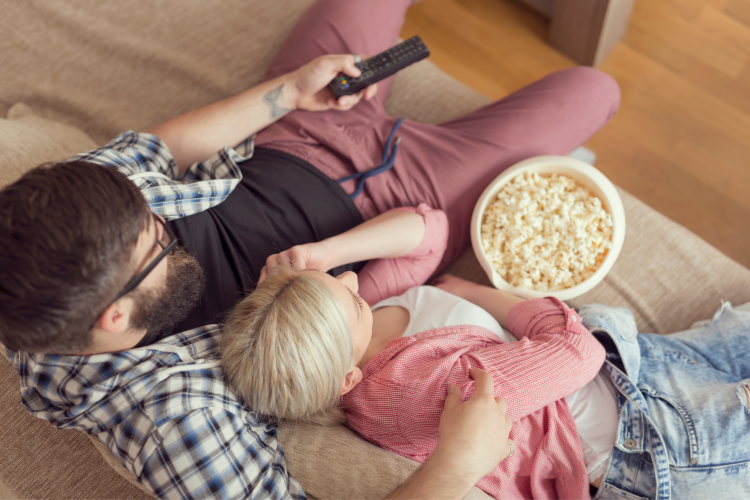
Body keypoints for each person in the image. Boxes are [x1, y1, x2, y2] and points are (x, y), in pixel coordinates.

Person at [0, 0, 618, 497]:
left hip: (290, 131)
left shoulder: (65, 216)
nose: (161, 215)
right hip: (402, 198)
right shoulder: (176, 420)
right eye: (156, 239)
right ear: (114, 316)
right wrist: (455, 466)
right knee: (594, 89)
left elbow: (157, 150)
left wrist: (289, 95)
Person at [224, 205, 750, 499]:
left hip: (639, 368)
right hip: (650, 435)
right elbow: (576, 350)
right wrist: (476, 294)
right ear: (344, 379)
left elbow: (431, 232)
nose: (350, 277)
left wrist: (326, 253)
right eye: (345, 293)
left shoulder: (363, 334)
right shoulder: (420, 389)